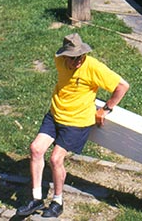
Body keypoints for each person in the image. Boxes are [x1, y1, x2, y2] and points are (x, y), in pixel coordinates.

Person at [16, 33, 129, 218]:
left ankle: (57, 202)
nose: (77, 61)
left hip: (77, 122)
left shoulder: (93, 67)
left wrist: (106, 109)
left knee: (55, 159)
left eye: (80, 56)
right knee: (36, 149)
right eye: (73, 57)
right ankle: (36, 199)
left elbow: (123, 86)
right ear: (64, 56)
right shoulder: (58, 60)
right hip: (55, 115)